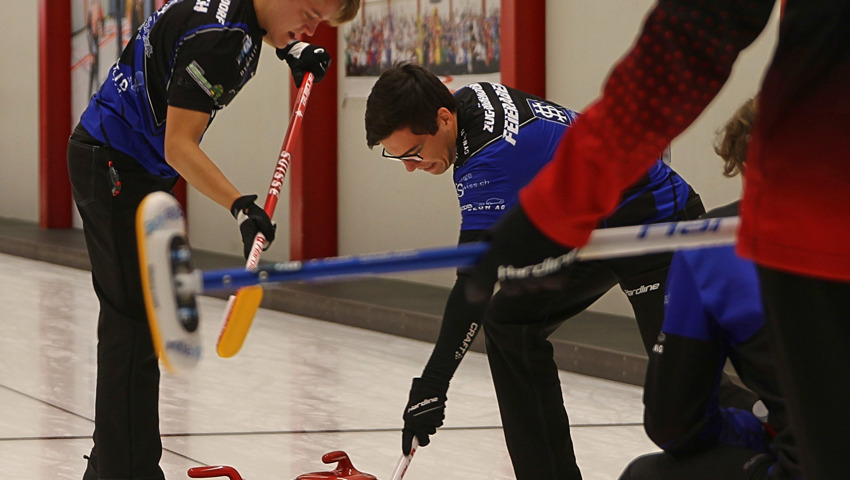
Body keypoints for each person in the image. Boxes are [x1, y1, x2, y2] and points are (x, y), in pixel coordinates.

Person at [465, 2, 850, 478]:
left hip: (806, 221)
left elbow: (689, 39)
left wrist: (552, 210)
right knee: (510, 322)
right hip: (801, 216)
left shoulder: (713, 252)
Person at [363, 62, 755, 480]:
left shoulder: (489, 156)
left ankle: (783, 429)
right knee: (510, 322)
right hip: (593, 230)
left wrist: (432, 386)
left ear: (442, 118)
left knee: (682, 383)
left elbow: (472, 284)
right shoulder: (469, 100)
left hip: (655, 223)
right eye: (397, 156)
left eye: (412, 153)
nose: (410, 166)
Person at [67, 0, 359, 478]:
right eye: (309, 13)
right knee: (132, 325)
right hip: (118, 167)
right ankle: (125, 470)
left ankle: (115, 466)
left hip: (126, 164)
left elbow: (244, 22)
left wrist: (290, 48)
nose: (313, 28)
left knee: (139, 323)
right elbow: (178, 144)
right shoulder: (221, 42)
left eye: (320, 24)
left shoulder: (236, 16)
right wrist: (241, 208)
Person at [619, 98, 800, 480]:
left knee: (646, 476)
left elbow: (673, 422)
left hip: (812, 460)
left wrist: (759, 424)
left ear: (747, 165)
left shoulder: (714, 244)